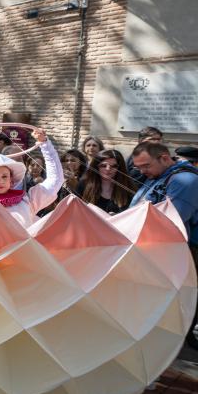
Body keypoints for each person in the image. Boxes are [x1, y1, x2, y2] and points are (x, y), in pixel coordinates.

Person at [130, 141, 198, 349]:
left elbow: (171, 221)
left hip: (182, 252)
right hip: (158, 250)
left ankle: (173, 342)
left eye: (146, 166)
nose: (142, 171)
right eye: (139, 167)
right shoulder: (160, 176)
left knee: (177, 301)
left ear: (165, 158)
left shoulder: (186, 180)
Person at [77, 149, 135, 214]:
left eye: (114, 166)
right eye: (103, 166)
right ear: (96, 167)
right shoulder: (84, 185)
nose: (108, 169)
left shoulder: (128, 187)